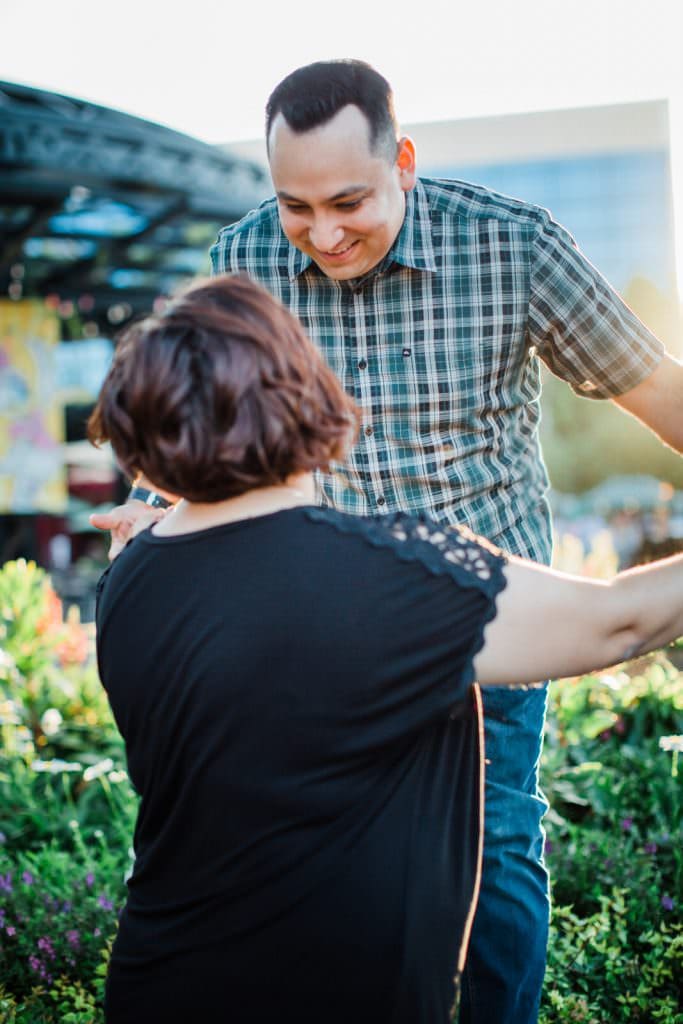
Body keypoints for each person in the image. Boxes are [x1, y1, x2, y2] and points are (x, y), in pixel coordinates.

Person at [92, 61, 683, 1023]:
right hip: (313, 630)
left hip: (489, 621)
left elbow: (648, 385)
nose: (322, 235)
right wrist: (151, 497)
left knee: (492, 860)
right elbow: (195, 407)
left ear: (402, 161)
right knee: (318, 870)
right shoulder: (240, 260)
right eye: (295, 206)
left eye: (348, 201)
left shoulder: (510, 243)